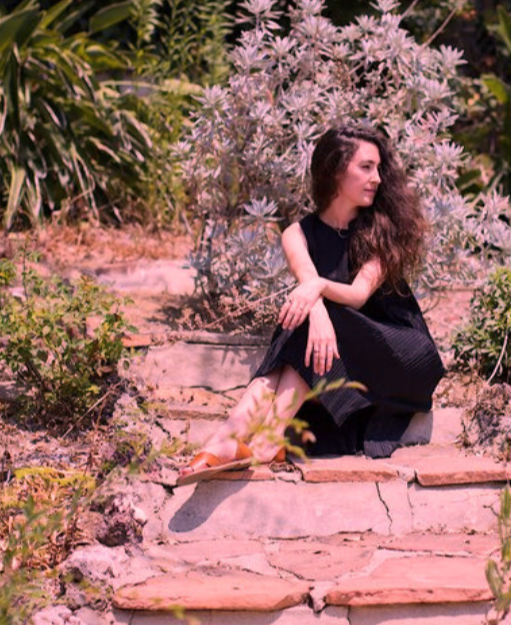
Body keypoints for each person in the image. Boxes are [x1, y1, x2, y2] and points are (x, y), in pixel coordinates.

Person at [177, 124, 445, 486]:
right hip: (341, 358)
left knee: (308, 315)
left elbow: (357, 295)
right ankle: (228, 440)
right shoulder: (297, 233)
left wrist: (317, 291)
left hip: (401, 355)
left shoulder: (383, 230)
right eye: (366, 167)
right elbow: (306, 282)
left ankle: (254, 437)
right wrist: (316, 304)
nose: (377, 178)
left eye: (378, 168)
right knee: (304, 317)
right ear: (335, 169)